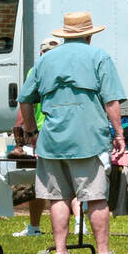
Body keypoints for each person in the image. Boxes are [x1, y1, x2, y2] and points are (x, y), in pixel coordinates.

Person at [17, 11, 126, 254]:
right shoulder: (99, 57)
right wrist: (119, 134)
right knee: (97, 197)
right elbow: (111, 101)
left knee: (58, 198)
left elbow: (24, 100)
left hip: (52, 141)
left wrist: (32, 132)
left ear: (65, 35)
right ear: (89, 35)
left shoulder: (45, 61)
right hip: (89, 140)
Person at [12, 36, 81, 239]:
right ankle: (75, 224)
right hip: (58, 133)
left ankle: (43, 227)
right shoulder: (65, 70)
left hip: (44, 135)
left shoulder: (36, 71)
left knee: (51, 184)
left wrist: (22, 130)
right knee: (62, 180)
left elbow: (24, 103)